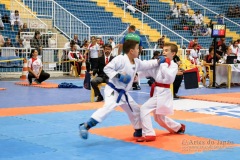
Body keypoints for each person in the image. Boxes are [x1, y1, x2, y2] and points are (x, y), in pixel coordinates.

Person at [79, 33, 160, 140]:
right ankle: (86, 125)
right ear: (131, 51)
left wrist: (159, 61)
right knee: (108, 107)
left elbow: (147, 64)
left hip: (123, 93)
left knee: (135, 110)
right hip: (113, 90)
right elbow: (107, 69)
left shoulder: (136, 62)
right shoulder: (120, 59)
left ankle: (138, 130)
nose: (139, 50)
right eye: (137, 49)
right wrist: (119, 76)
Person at [137, 43, 186, 142]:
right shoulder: (159, 64)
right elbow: (147, 72)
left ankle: (149, 133)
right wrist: (136, 76)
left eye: (167, 50)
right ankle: (178, 127)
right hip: (157, 90)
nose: (164, 52)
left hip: (164, 92)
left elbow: (169, 78)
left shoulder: (173, 65)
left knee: (144, 109)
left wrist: (163, 64)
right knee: (159, 117)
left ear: (173, 53)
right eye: (163, 50)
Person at [118, 25, 143, 90]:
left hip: (127, 55)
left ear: (129, 29)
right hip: (135, 56)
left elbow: (121, 45)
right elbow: (141, 48)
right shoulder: (139, 37)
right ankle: (136, 84)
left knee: (124, 68)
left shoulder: (126, 36)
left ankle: (123, 84)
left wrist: (119, 54)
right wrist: (138, 54)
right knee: (135, 69)